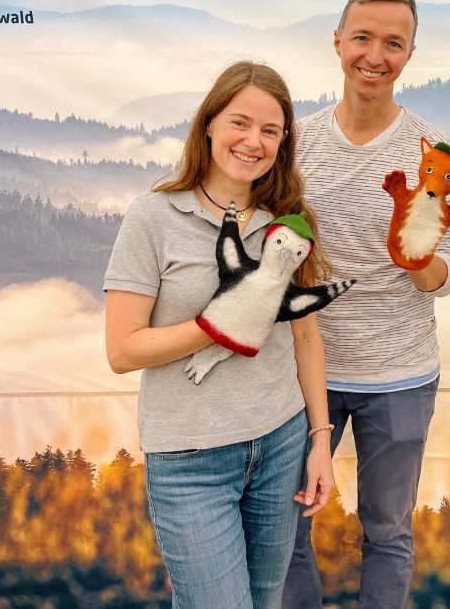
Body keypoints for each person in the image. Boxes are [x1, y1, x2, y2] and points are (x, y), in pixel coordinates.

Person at [103, 60, 335, 609]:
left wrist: (319, 441)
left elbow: (305, 339)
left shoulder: (288, 219)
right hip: (190, 462)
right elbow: (122, 350)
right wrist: (216, 327)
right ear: (208, 123)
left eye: (271, 130)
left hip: (280, 445)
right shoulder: (153, 217)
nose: (253, 141)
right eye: (240, 122)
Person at [283, 0, 450, 608]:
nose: (375, 55)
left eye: (393, 43)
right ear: (337, 43)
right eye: (363, 38)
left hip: (402, 374)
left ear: (410, 54)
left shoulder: (434, 156)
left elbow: (448, 270)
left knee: (387, 531)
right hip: (307, 373)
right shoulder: (294, 145)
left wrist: (422, 266)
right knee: (288, 525)